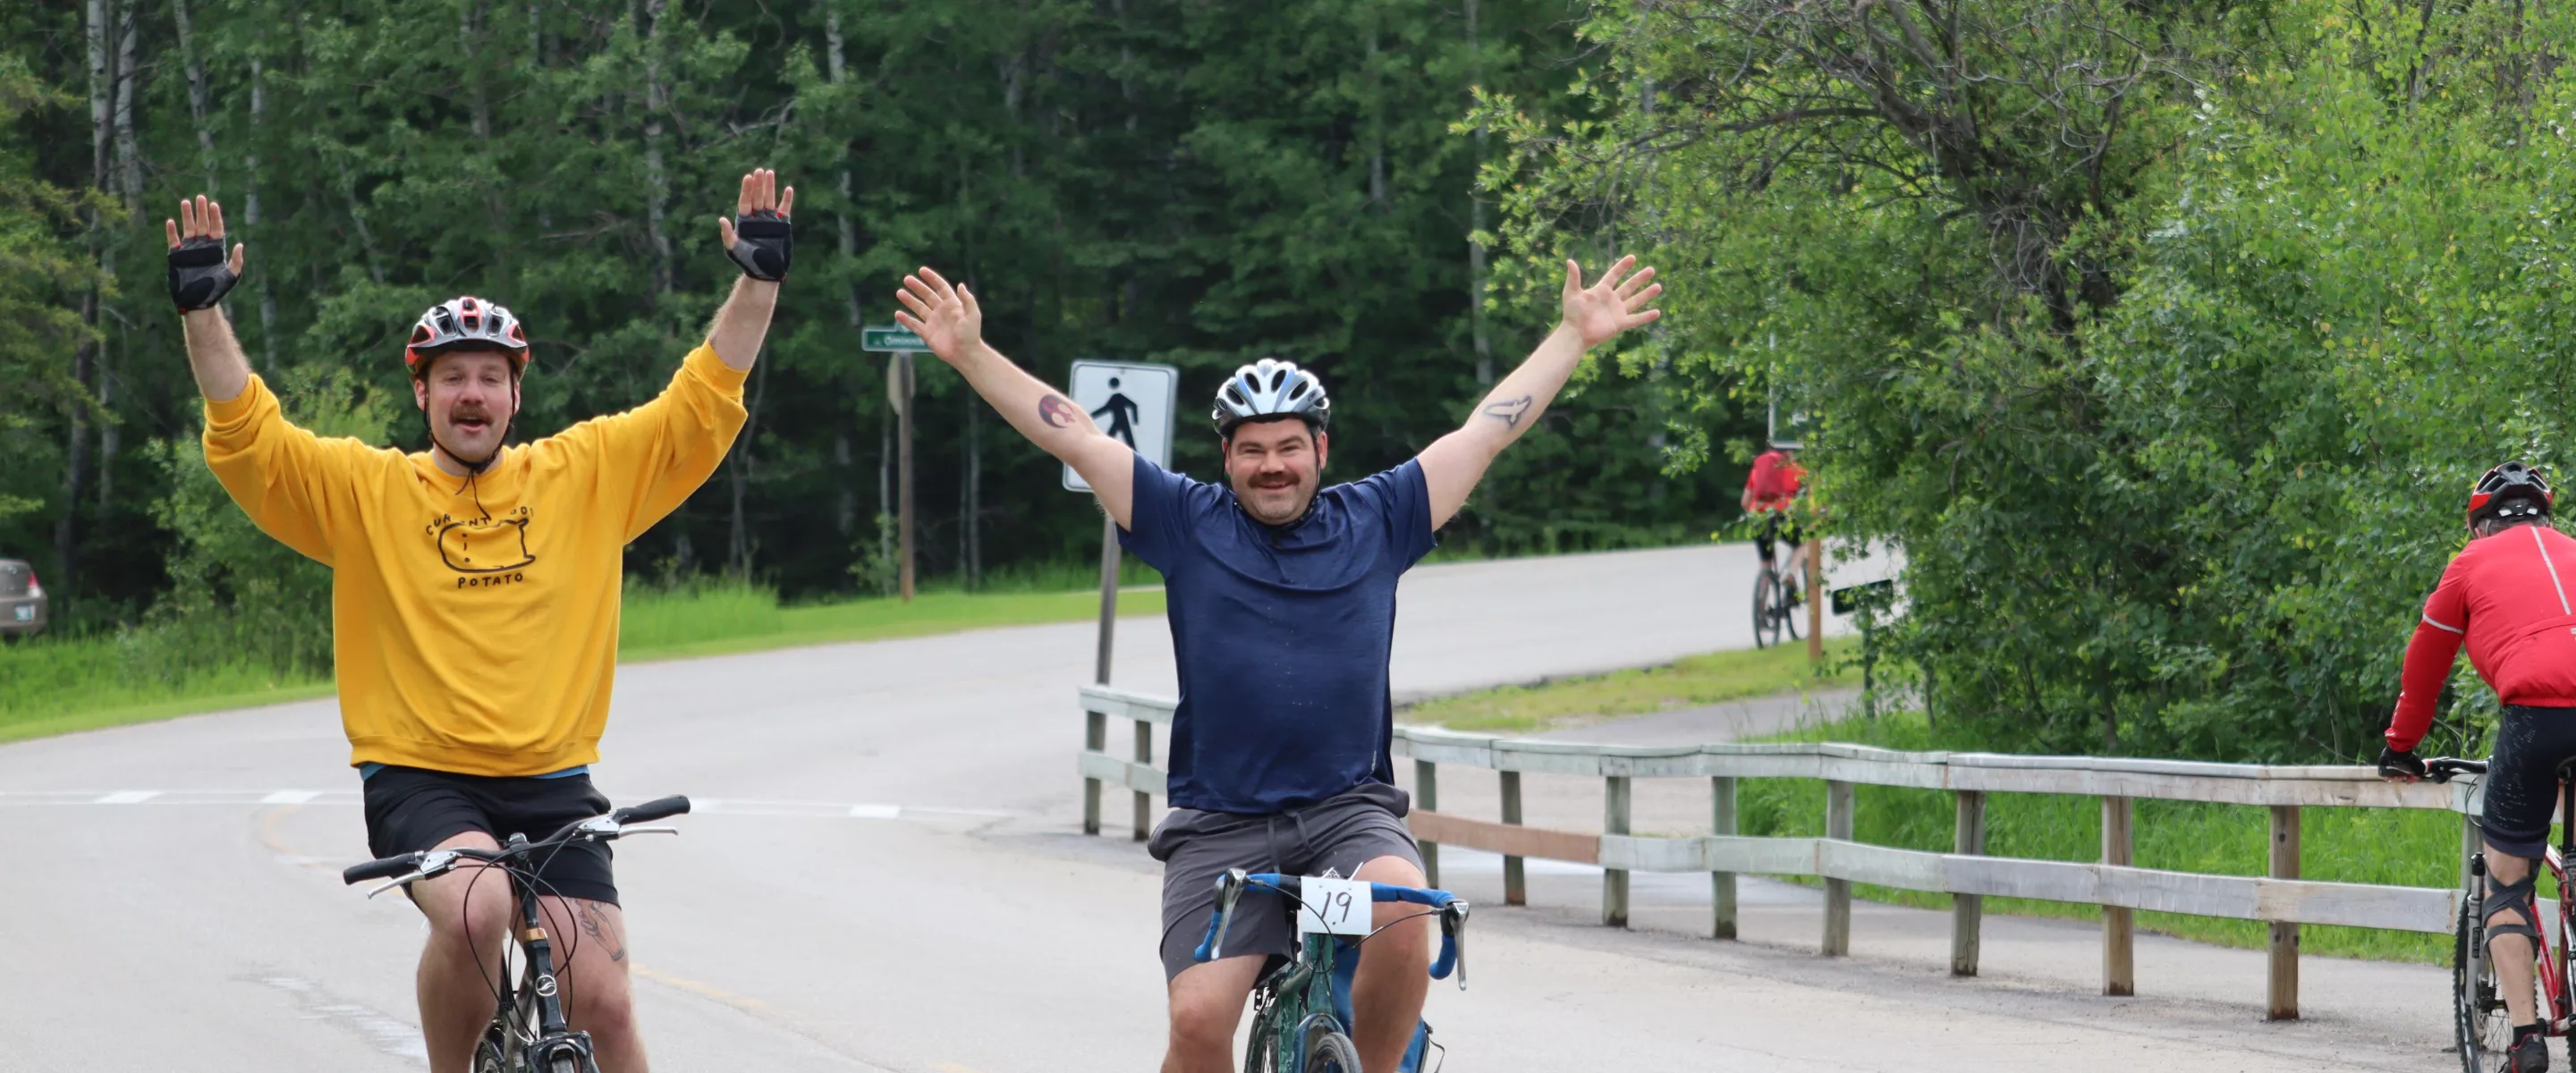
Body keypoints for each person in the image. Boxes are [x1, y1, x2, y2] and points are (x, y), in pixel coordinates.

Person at [891, 255, 1661, 1073]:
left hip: (1347, 811)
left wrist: (1573, 336)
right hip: (1221, 824)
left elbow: (1487, 428)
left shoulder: (1382, 517)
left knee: (1403, 920)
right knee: (1196, 1022)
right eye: (1252, 449)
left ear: (1320, 448)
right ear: (1227, 458)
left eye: (1289, 446)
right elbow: (1072, 433)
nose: (1272, 465)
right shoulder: (1185, 521)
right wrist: (971, 353)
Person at [165, 169, 795, 1073]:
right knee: (478, 908)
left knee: (607, 1009)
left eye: (489, 378)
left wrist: (759, 280)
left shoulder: (585, 476)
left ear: (515, 395)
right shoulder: (367, 491)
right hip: (422, 779)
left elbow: (702, 402)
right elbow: (248, 437)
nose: (471, 393)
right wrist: (201, 313)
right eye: (451, 376)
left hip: (552, 779)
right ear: (422, 395)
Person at [2378, 460, 2576, 1073]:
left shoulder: (2470, 563)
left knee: (2508, 878)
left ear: (2480, 525)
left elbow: (2426, 662)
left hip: (2536, 717)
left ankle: (2525, 1040)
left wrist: (2401, 746)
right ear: (2546, 515)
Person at [1741, 440, 1806, 595]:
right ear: (1789, 451)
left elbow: (1745, 502)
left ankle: (1761, 605)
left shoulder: (1758, 468)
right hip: (1781, 516)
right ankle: (1790, 576)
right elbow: (1810, 501)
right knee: (1801, 545)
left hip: (1758, 518)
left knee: (1765, 562)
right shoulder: (1796, 469)